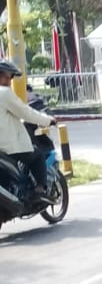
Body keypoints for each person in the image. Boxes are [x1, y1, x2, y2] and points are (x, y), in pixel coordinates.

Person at [0, 57, 56, 193]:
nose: (8, 82)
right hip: (9, 146)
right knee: (37, 156)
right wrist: (48, 120)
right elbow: (26, 113)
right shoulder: (4, 93)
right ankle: (40, 189)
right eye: (6, 78)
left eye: (10, 79)